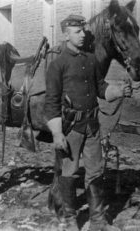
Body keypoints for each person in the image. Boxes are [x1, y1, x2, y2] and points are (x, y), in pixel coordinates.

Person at [44, 14, 132, 230]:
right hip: (71, 128)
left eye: (83, 30)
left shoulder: (91, 59)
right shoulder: (57, 65)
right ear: (66, 35)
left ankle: (98, 221)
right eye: (77, 32)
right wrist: (56, 133)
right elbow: (51, 102)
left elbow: (101, 88)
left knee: (95, 172)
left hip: (93, 126)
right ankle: (70, 219)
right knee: (69, 173)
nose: (83, 35)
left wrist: (118, 90)